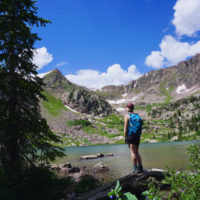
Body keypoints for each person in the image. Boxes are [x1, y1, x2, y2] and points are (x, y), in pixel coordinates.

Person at [124, 103, 143, 173]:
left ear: (128, 108)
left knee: (132, 152)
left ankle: (135, 168)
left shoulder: (127, 116)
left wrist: (124, 136)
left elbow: (125, 128)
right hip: (137, 136)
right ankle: (140, 167)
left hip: (131, 135)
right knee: (137, 152)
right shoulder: (137, 116)